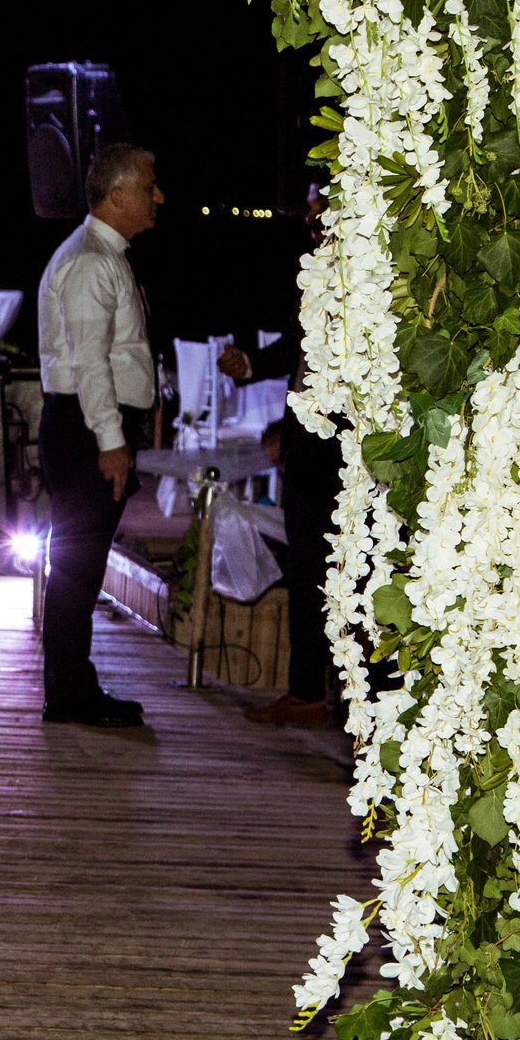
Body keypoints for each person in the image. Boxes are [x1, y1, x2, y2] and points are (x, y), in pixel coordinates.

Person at [35, 142, 162, 727]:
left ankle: (72, 687)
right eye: (148, 187)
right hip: (88, 430)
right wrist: (111, 442)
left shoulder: (101, 255)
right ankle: (68, 694)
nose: (157, 196)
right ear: (117, 197)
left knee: (80, 566)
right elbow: (91, 364)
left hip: (88, 427)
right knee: (77, 566)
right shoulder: (90, 261)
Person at [218, 179, 343, 727]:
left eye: (320, 202)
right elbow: (300, 354)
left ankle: (354, 696)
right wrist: (253, 372)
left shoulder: (369, 273)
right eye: (309, 204)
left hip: (345, 444)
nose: (310, 213)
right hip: (306, 436)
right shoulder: (316, 268)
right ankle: (307, 690)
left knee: (342, 569)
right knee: (305, 562)